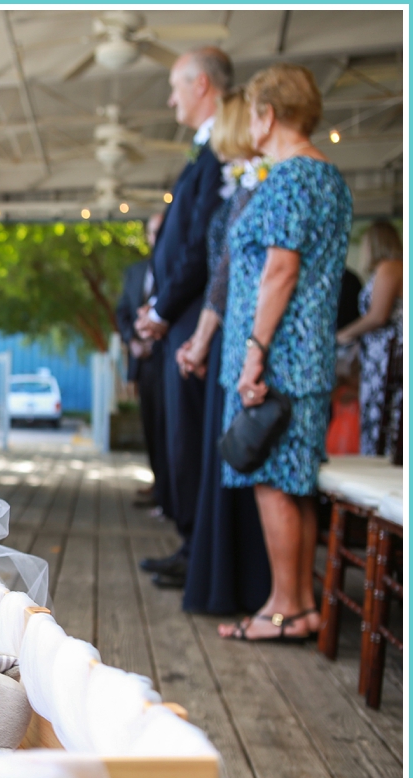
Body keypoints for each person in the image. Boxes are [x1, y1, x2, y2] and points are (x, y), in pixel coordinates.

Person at [217, 63, 353, 642]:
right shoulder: (331, 178)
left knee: (273, 480)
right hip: (308, 356)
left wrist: (254, 352)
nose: (250, 123)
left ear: (267, 114)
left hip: (279, 359)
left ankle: (283, 609)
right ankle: (299, 606)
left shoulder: (292, 177)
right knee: (291, 481)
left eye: (252, 112)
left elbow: (279, 271)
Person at [135, 47, 233, 584]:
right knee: (181, 438)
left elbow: (201, 245)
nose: (171, 99)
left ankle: (198, 550)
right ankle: (190, 543)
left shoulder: (221, 151)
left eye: (176, 87)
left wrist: (164, 308)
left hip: (195, 318)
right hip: (181, 317)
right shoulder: (205, 152)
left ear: (201, 86)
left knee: (192, 436)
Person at [174, 89, 271, 611]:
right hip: (227, 332)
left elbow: (228, 272)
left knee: (237, 455)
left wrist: (202, 337)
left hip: (237, 334)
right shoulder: (241, 187)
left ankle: (237, 583)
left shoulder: (255, 188)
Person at [115, 212, 170, 512]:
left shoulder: (177, 268)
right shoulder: (135, 271)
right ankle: (159, 483)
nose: (157, 237)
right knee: (151, 425)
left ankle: (169, 491)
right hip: (145, 363)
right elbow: (122, 311)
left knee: (169, 428)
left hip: (169, 360)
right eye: (153, 232)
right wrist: (133, 341)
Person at [337, 221, 403, 456]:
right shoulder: (385, 269)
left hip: (388, 357)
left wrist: (344, 335)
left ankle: (382, 459)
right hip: (377, 357)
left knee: (386, 415)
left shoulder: (391, 266)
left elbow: (377, 316)